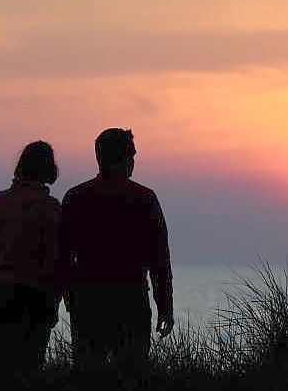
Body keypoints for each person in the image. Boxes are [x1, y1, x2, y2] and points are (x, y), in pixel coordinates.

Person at [60, 128, 173, 389]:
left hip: (88, 299)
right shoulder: (144, 198)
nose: (134, 161)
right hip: (130, 297)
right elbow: (159, 260)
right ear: (127, 158)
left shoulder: (76, 197)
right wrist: (165, 305)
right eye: (132, 155)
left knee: (88, 376)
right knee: (132, 374)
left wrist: (68, 299)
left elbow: (62, 257)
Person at [0, 141, 63, 388]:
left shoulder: (0, 201)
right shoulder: (51, 208)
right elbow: (55, 260)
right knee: (30, 367)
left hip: (1, 293)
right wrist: (55, 299)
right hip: (36, 296)